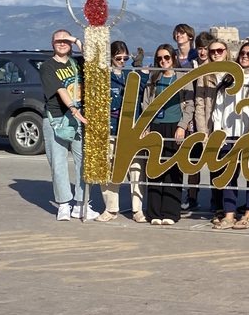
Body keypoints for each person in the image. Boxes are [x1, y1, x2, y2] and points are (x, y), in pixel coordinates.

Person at [40, 30, 98, 220]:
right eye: (58, 41)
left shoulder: (77, 63)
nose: (62, 43)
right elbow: (60, 88)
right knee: (58, 162)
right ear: (52, 43)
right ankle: (64, 204)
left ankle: (82, 204)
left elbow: (94, 58)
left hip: (79, 119)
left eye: (66, 41)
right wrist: (73, 108)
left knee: (83, 162)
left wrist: (76, 40)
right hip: (57, 118)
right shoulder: (47, 65)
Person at [211, 42, 249, 230]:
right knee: (228, 175)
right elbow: (218, 109)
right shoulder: (228, 79)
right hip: (229, 134)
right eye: (242, 53)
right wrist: (218, 134)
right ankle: (229, 215)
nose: (244, 56)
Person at [96, 41, 149, 223]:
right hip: (109, 127)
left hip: (131, 128)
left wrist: (143, 73)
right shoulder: (104, 76)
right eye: (118, 58)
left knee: (136, 169)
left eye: (125, 58)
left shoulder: (132, 75)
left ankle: (137, 210)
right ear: (110, 57)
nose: (122, 61)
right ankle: (110, 208)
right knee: (108, 169)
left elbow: (144, 95)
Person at [142, 44, 194, 225]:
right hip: (156, 126)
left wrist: (182, 125)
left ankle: (170, 212)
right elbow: (146, 104)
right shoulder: (153, 78)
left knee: (173, 169)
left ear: (173, 58)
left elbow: (190, 104)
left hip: (175, 127)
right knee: (154, 170)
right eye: (159, 58)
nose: (163, 61)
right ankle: (154, 212)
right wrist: (146, 126)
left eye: (166, 58)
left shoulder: (183, 78)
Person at [194, 39, 230, 222]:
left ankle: (231, 207)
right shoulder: (204, 74)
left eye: (219, 51)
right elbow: (199, 105)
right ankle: (218, 207)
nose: (216, 54)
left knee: (230, 169)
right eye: (212, 51)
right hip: (210, 126)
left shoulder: (233, 72)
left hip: (230, 126)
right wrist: (203, 133)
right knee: (215, 169)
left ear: (226, 52)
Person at [182, 30, 217, 212]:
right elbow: (184, 94)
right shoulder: (190, 67)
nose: (203, 52)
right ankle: (192, 195)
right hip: (193, 119)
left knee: (214, 160)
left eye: (205, 48)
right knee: (193, 160)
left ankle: (215, 197)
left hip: (212, 119)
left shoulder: (217, 68)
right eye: (200, 48)